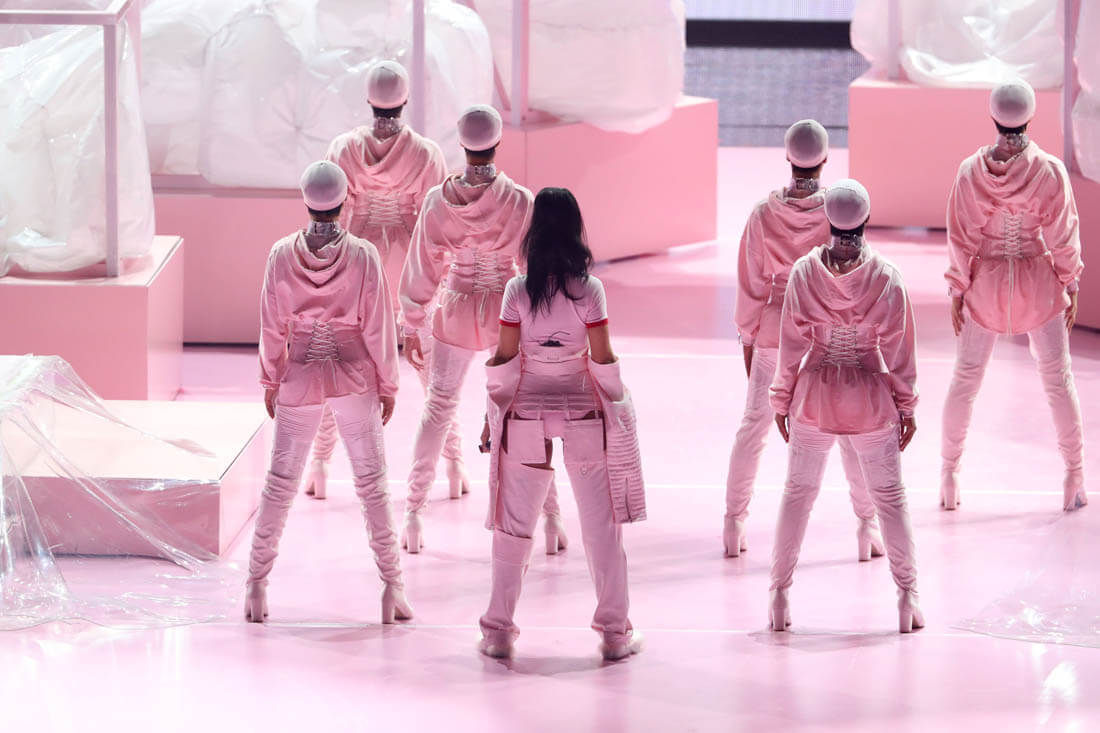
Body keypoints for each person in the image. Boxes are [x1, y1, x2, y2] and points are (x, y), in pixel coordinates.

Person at [478, 187, 645, 660]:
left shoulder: (517, 290)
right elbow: (602, 357)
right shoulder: (589, 290)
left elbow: (505, 358)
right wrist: (619, 410)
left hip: (526, 411)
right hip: (583, 411)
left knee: (514, 527)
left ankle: (498, 632)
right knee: (601, 526)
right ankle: (614, 634)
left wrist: (491, 418)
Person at [245, 160, 412, 624]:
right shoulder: (363, 255)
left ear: (305, 200)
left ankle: (256, 585)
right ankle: (392, 587)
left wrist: (270, 378)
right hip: (354, 373)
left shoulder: (282, 254)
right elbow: (378, 326)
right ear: (343, 201)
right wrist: (388, 383)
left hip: (300, 372)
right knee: (372, 484)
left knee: (280, 483)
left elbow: (272, 324)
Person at [399, 105, 566, 554]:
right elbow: (534, 270)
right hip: (505, 310)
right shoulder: (521, 201)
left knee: (438, 407)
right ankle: (550, 517)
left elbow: (423, 267)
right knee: (521, 413)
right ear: (497, 142)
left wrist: (412, 323)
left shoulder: (438, 201)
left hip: (456, 304)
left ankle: (413, 513)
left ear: (461, 143)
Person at [301, 60, 463, 502]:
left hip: (360, 263)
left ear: (369, 100)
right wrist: (439, 275)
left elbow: (334, 216)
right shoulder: (426, 153)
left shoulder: (343, 149)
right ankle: (454, 464)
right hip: (409, 263)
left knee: (344, 361)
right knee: (432, 372)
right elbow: (434, 222)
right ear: (405, 100)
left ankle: (319, 463)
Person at [725, 119, 884, 562]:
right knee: (848, 427)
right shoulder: (837, 212)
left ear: (787, 157)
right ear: (826, 159)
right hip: (822, 329)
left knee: (754, 425)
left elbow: (750, 284)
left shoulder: (763, 213)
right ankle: (867, 525)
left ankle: (733, 522)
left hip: (776, 326)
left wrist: (748, 337)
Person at [769, 179, 923, 634]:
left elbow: (790, 346)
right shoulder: (886, 277)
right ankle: (907, 596)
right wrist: (907, 406)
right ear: (867, 219)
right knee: (890, 498)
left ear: (828, 219)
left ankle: (779, 594)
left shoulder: (804, 273)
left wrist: (781, 398)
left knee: (797, 495)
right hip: (869, 396)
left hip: (814, 395)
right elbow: (900, 352)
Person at [942, 78, 1086, 512]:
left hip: (985, 284)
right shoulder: (1049, 171)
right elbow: (1063, 234)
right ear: (1030, 116)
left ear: (992, 116)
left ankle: (948, 475)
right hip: (1038, 283)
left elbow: (960, 236)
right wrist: (1070, 282)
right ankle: (1074, 475)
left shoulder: (971, 171)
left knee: (965, 380)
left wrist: (958, 287)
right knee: (1058, 381)